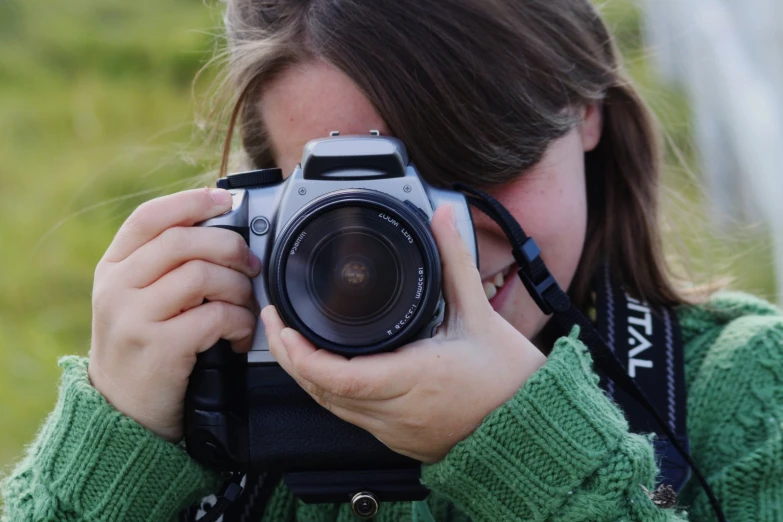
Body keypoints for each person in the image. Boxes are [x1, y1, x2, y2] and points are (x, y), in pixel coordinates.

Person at [3, 0, 782, 520]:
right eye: (361, 204)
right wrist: (110, 450)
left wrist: (528, 447)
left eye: (476, 165)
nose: (434, 243)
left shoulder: (742, 395)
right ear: (268, 198)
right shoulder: (205, 408)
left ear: (583, 113)